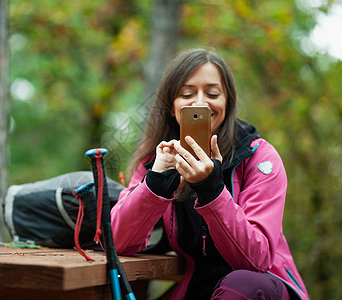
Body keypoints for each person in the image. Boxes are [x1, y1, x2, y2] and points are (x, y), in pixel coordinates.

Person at [110, 49, 309, 300]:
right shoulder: (157, 157)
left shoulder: (259, 158)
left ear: (227, 102)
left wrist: (212, 191)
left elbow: (257, 261)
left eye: (213, 93)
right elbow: (119, 243)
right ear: (172, 107)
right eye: (187, 94)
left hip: (261, 289)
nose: (200, 102)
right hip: (200, 287)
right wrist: (155, 184)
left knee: (240, 284)